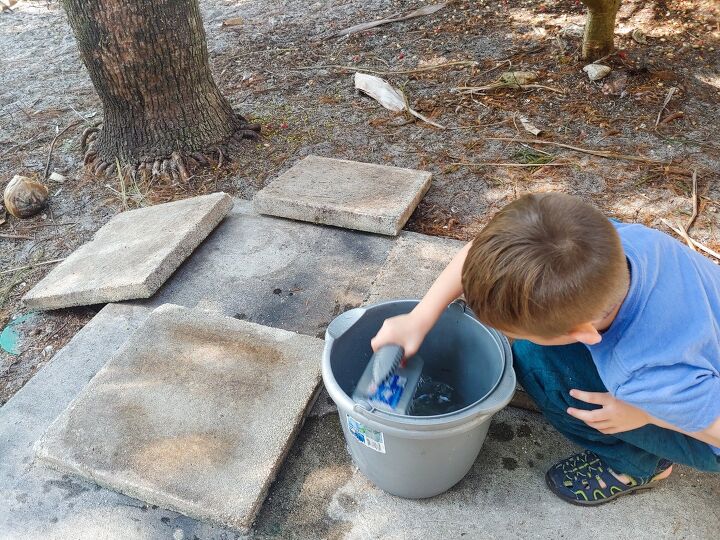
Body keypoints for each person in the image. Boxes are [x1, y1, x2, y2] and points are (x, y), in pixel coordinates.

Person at [371, 192, 720, 505]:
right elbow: (489, 249)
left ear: (582, 332)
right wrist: (420, 316)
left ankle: (638, 466)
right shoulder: (611, 244)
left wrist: (646, 413)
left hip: (707, 431)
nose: (510, 335)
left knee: (536, 363)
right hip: (699, 349)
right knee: (538, 350)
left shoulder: (644, 377)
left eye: (516, 330)